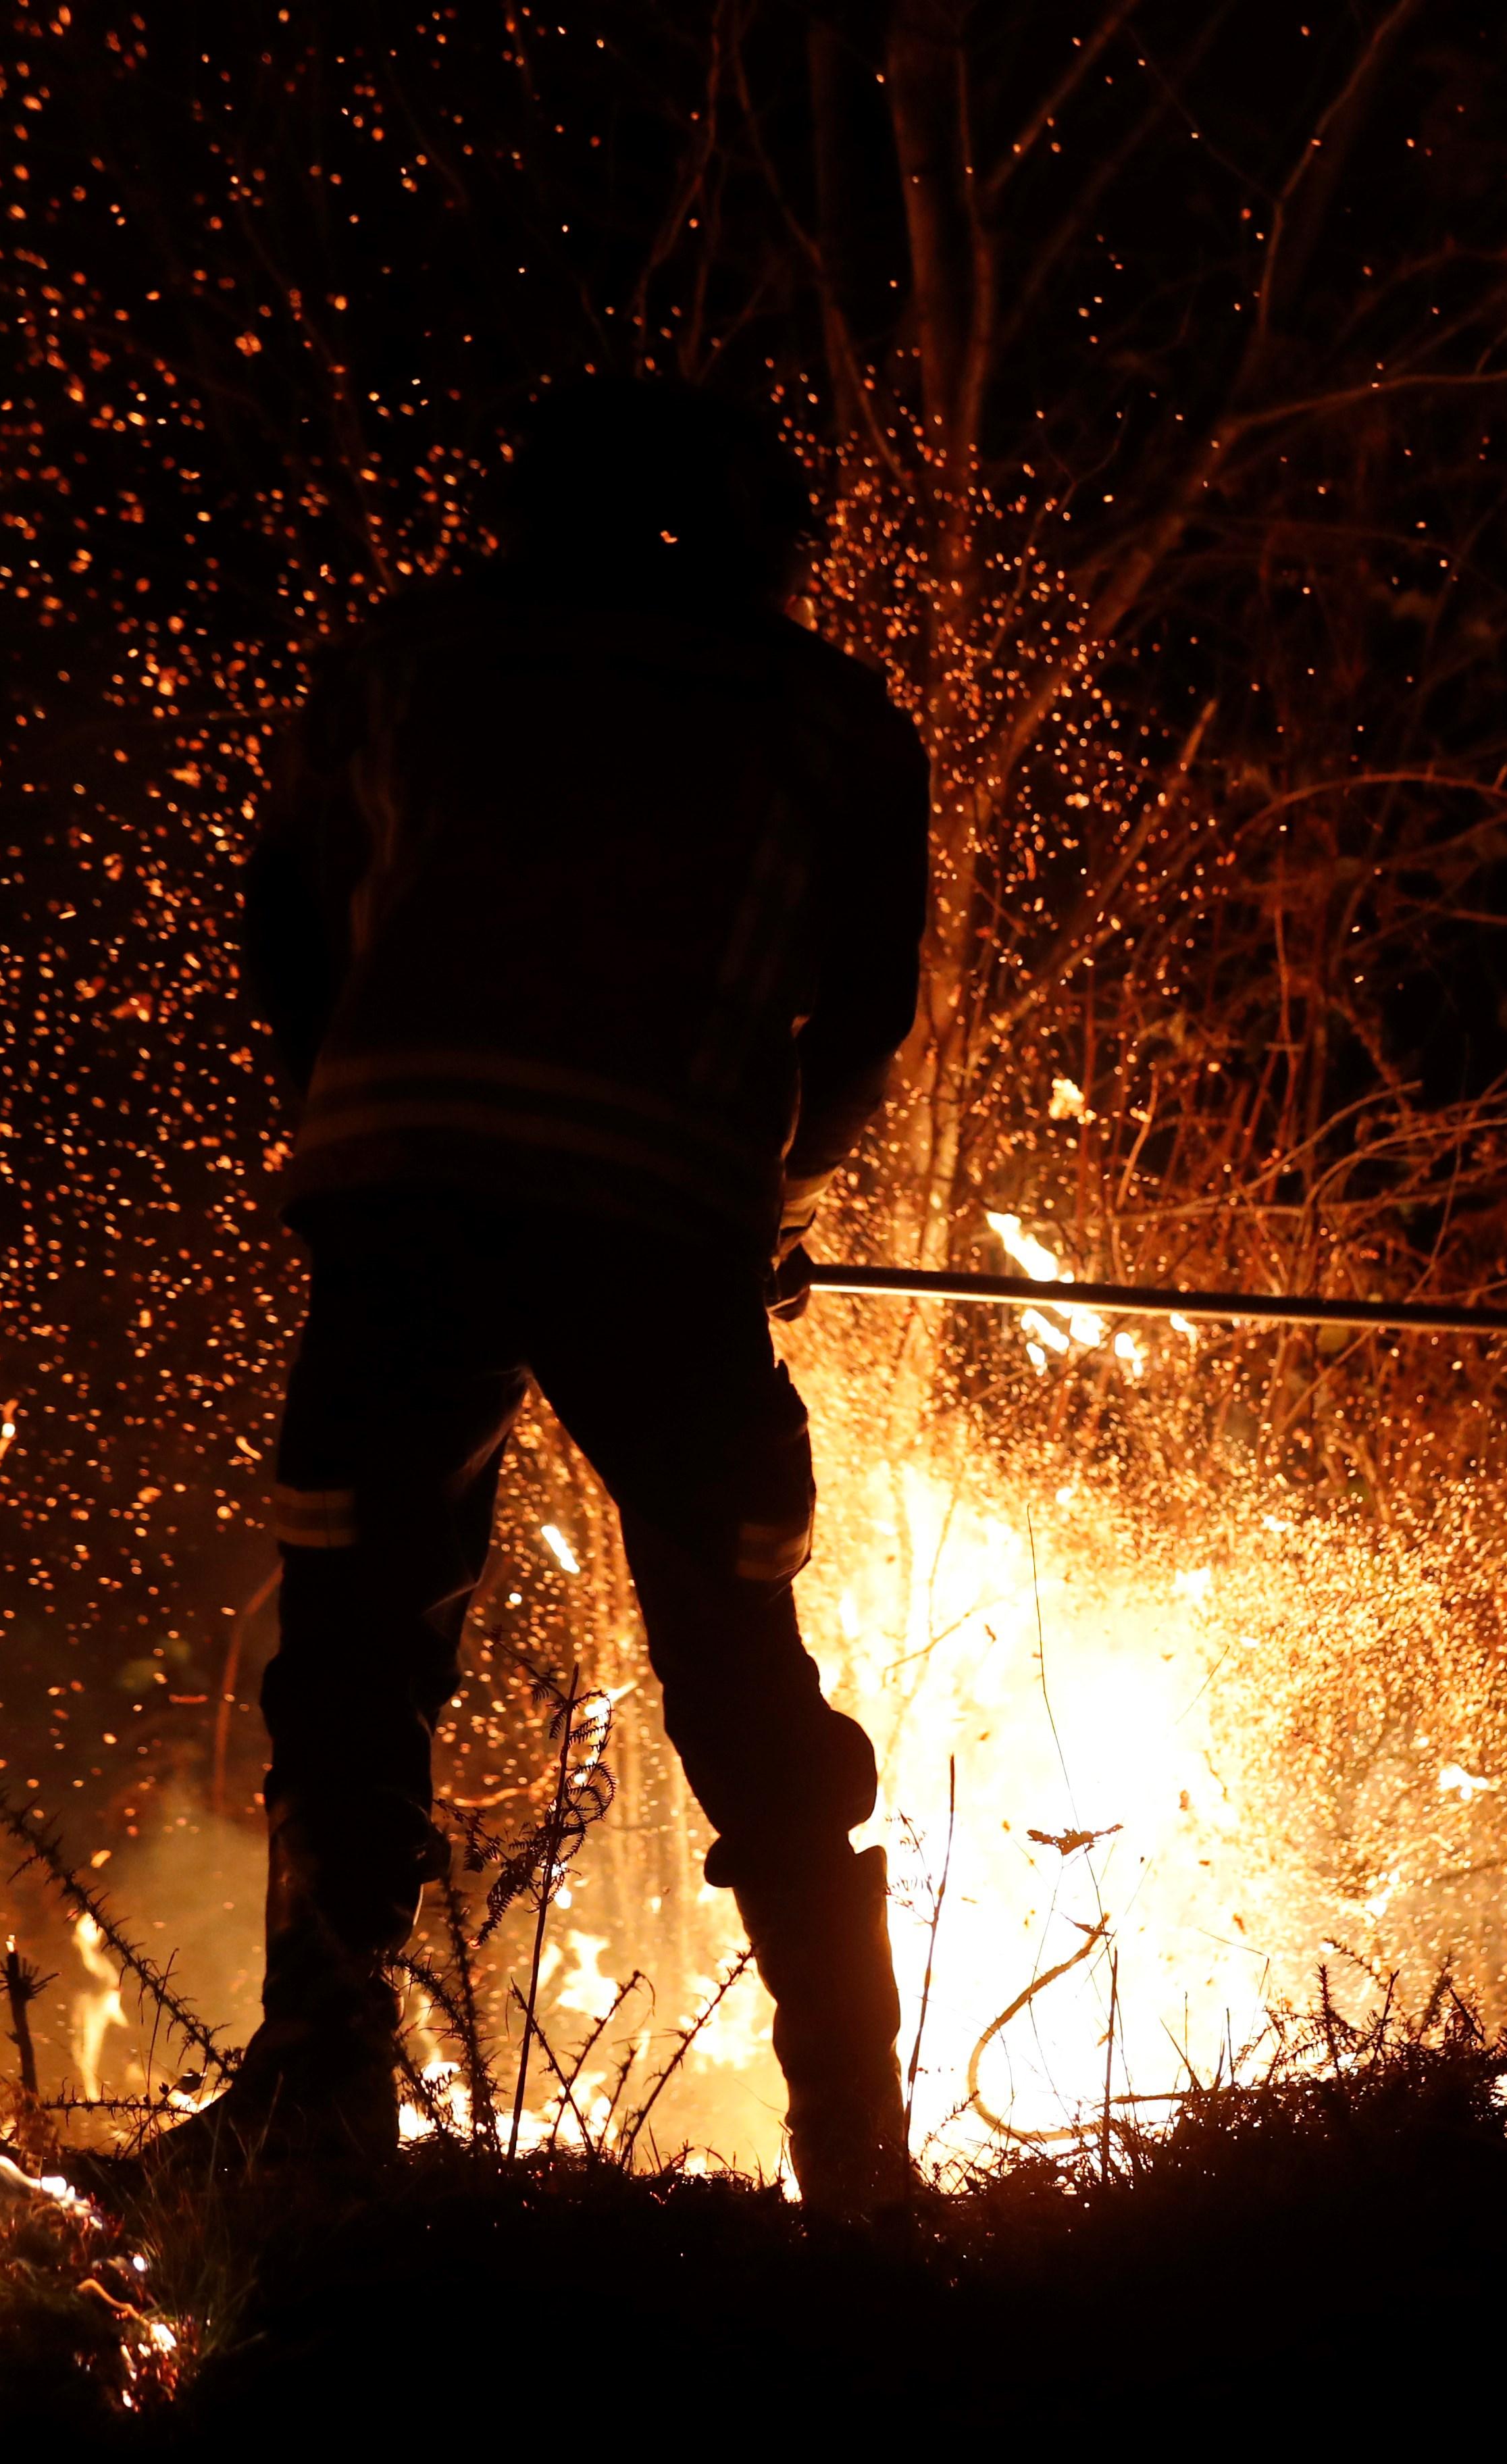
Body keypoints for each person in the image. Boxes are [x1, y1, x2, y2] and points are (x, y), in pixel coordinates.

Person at [224, 378, 930, 2215]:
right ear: (766, 541)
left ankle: (314, 2101)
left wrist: (352, 1119)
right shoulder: (833, 719)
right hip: (658, 1223)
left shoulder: (404, 656)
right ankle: (858, 2157)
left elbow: (286, 924)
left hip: (405, 1200)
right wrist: (757, 1192)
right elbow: (858, 1027)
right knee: (737, 1654)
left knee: (356, 1651)